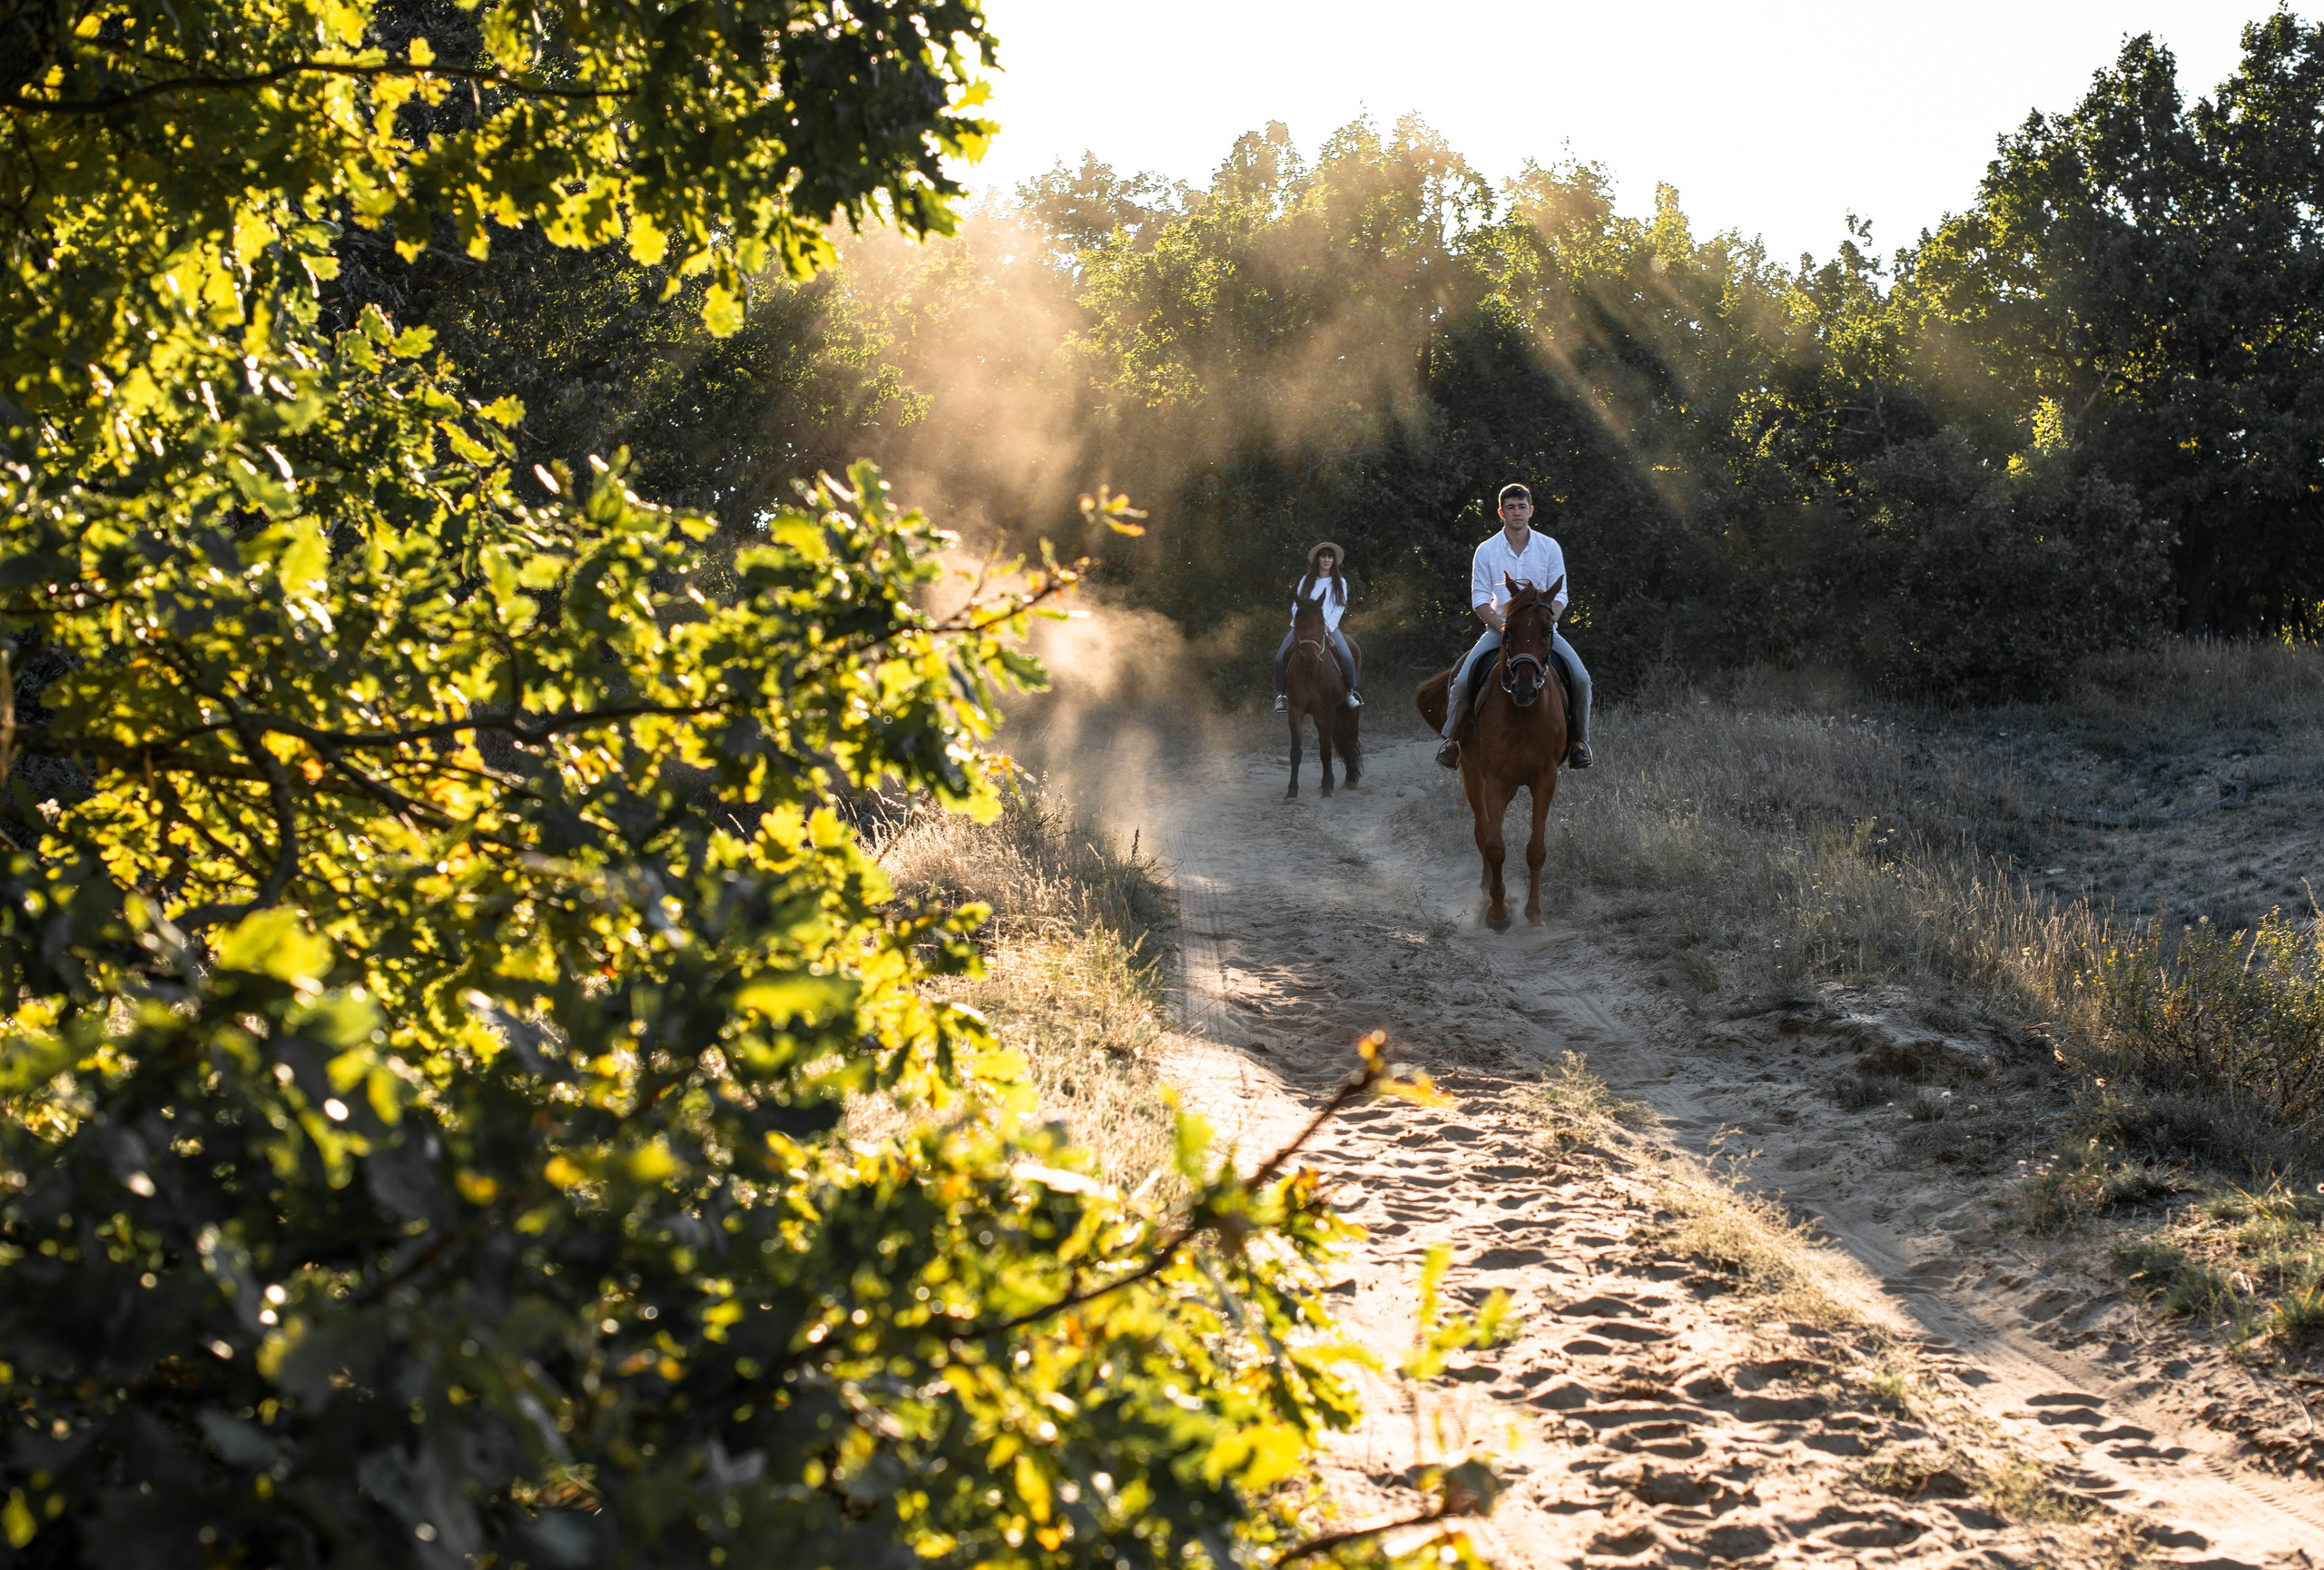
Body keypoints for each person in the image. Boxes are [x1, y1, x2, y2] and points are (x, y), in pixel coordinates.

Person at [1434, 484, 1593, 769]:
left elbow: (1561, 595)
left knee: (1581, 678)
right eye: (1510, 507)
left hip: (1544, 632)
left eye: (1521, 507)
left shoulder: (1549, 547)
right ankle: (1453, 741)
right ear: (1501, 512)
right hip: (1500, 631)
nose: (1516, 512)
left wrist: (1546, 623)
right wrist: (1503, 626)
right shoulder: (1486, 550)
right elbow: (1480, 599)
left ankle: (1579, 743)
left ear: (1530, 510)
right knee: (1461, 679)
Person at [1273, 541, 1364, 710]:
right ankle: (1281, 695)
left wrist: (1327, 625)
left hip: (1328, 627)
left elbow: (1339, 606)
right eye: (1323, 556)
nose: (1327, 560)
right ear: (1318, 559)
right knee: (1279, 658)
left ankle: (1350, 692)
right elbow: (1296, 606)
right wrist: (1302, 624)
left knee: (1347, 656)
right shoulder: (1306, 581)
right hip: (1303, 629)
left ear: (1333, 560)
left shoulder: (1339, 582)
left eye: (1330, 556)